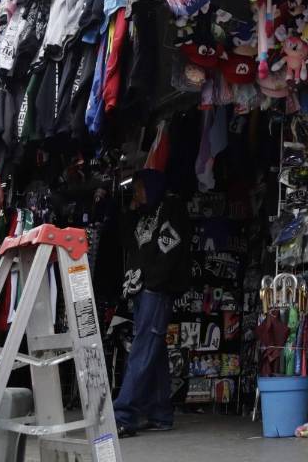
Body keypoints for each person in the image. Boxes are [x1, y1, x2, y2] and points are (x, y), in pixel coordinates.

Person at [114, 170, 191, 437]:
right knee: (153, 351)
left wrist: (154, 282)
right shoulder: (143, 213)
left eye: (139, 189)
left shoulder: (171, 207)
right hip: (141, 287)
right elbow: (128, 244)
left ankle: (124, 414)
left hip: (155, 289)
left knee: (143, 349)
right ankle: (160, 413)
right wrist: (130, 212)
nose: (136, 194)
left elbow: (171, 246)